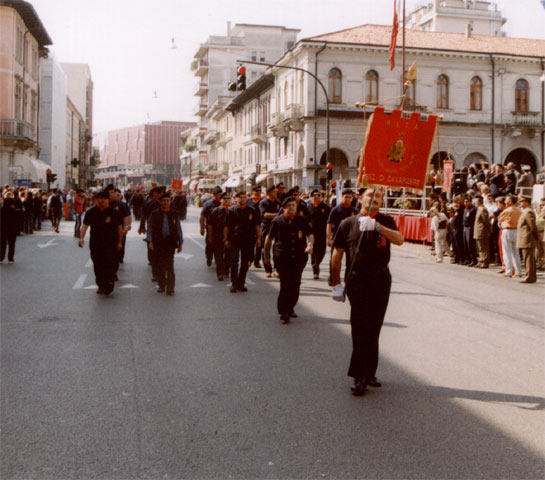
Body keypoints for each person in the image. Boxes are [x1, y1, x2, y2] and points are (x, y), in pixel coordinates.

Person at [331, 188, 404, 396]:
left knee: (374, 328)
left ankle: (369, 372)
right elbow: (337, 253)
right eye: (370, 195)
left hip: (380, 280)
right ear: (360, 198)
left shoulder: (386, 220)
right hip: (357, 280)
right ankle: (359, 375)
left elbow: (399, 239)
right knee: (360, 327)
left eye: (379, 196)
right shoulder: (348, 223)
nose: (374, 199)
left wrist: (378, 226)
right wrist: (335, 283)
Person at [264, 196, 314, 324]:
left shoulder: (302, 220)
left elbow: (310, 234)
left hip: (299, 257)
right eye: (289, 205)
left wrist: (310, 245)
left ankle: (291, 306)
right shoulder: (277, 221)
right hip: (283, 257)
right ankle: (283, 311)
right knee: (285, 284)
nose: (292, 207)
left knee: (295, 284)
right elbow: (269, 239)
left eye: (294, 205)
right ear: (284, 208)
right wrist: (266, 257)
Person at [78, 191, 123, 295]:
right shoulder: (91, 212)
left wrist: (120, 242)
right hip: (96, 244)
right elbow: (84, 226)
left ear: (108, 200)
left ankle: (110, 281)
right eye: (100, 198)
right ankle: (101, 285)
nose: (102, 200)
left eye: (104, 198)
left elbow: (119, 228)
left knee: (111, 264)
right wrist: (81, 238)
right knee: (98, 265)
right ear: (97, 200)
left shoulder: (114, 212)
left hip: (111, 243)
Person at [224, 191, 261, 293]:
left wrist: (258, 238)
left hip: (248, 240)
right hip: (234, 239)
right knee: (234, 260)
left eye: (244, 197)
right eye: (240, 197)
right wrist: (226, 239)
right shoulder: (231, 211)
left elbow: (257, 225)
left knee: (245, 262)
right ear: (236, 198)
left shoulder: (252, 210)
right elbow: (226, 226)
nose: (242, 199)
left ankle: (241, 283)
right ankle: (234, 284)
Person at [147, 193, 183, 295]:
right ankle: (162, 285)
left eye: (167, 201)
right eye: (164, 201)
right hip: (158, 242)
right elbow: (149, 228)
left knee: (170, 265)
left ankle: (170, 288)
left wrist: (180, 242)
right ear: (160, 202)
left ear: (170, 202)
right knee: (159, 265)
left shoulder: (174, 213)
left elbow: (178, 228)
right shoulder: (154, 214)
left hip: (170, 243)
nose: (166, 203)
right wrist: (150, 241)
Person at [327, 189, 359, 284]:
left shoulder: (354, 210)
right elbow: (329, 224)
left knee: (350, 260)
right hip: (338, 237)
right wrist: (329, 238)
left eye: (350, 197)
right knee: (335, 259)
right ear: (342, 197)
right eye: (346, 197)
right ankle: (333, 276)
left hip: (350, 239)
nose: (348, 199)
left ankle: (348, 279)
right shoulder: (336, 209)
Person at [208, 193, 232, 281]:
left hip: (230, 237)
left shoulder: (232, 210)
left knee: (228, 256)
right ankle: (220, 273)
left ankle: (226, 271)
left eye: (228, 198)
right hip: (218, 236)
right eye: (224, 198)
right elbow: (210, 225)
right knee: (219, 256)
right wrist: (210, 237)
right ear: (221, 200)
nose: (226, 200)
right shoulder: (216, 211)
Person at [308, 189, 330, 278]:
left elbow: (329, 221)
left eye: (318, 195)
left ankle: (318, 263)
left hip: (322, 233)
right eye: (314, 195)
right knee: (314, 251)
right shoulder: (308, 207)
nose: (316, 196)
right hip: (311, 233)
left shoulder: (326, 208)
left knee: (322, 251)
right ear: (311, 197)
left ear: (321, 197)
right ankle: (315, 270)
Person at [259, 185, 281, 278]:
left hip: (276, 226)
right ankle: (268, 269)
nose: (275, 193)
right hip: (266, 226)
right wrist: (276, 215)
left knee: (277, 248)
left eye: (276, 192)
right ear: (268, 193)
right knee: (266, 247)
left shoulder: (278, 202)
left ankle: (276, 269)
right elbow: (265, 215)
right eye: (274, 192)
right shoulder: (263, 202)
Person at [498, 194, 522, 278]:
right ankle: (518, 271)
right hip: (516, 231)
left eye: (506, 201)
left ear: (510, 202)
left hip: (507, 230)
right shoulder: (519, 210)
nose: (504, 202)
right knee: (516, 252)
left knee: (506, 252)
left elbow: (499, 218)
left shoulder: (507, 210)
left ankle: (508, 271)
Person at [516, 194, 538, 283]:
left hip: (527, 238)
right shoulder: (525, 211)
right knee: (527, 258)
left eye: (521, 201)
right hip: (525, 238)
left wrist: (536, 237)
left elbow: (532, 226)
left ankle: (529, 276)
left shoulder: (528, 212)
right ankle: (531, 276)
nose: (520, 203)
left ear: (526, 202)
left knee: (528, 259)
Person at [200, 186, 222, 267]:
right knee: (210, 245)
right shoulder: (208, 204)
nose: (220, 196)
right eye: (218, 194)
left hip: (221, 229)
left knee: (220, 248)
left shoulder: (222, 203)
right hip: (210, 229)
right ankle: (209, 258)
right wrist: (202, 228)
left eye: (220, 194)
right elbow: (202, 216)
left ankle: (218, 261)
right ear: (213, 194)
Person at [246, 186, 263, 268]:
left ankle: (257, 261)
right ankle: (250, 259)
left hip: (260, 224)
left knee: (260, 243)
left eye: (260, 190)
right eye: (256, 190)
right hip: (251, 225)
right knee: (251, 244)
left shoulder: (263, 201)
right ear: (253, 192)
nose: (258, 192)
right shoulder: (248, 201)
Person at [473, 195, 491, 268]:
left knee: (484, 247)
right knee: (480, 247)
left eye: (476, 201)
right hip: (478, 230)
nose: (475, 202)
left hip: (482, 230)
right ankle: (481, 260)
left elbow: (486, 221)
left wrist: (488, 229)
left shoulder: (483, 209)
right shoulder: (479, 209)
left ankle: (485, 261)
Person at [0, 198, 21, 263]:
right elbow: (18, 221)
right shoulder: (14, 211)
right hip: (12, 229)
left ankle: (1, 257)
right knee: (11, 244)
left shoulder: (1, 210)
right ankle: (10, 258)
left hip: (3, 229)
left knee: (2, 244)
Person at [462, 196, 478, 266]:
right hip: (465, 227)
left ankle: (473, 260)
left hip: (470, 227)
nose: (465, 203)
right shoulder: (465, 209)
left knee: (470, 244)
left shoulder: (473, 209)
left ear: (470, 202)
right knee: (465, 244)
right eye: (465, 201)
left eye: (467, 201)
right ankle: (467, 259)